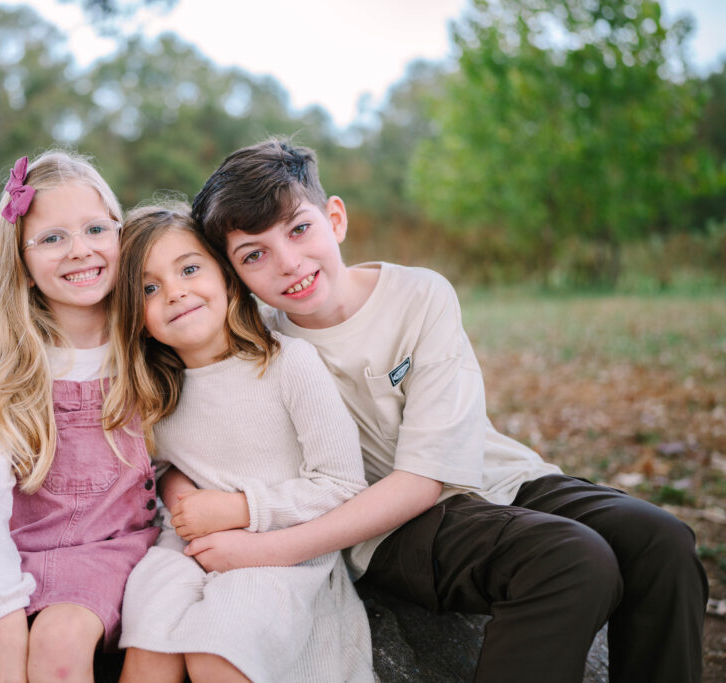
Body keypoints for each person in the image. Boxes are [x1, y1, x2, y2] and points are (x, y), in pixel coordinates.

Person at [180, 137, 709, 683]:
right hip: (387, 527)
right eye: (254, 255)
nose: (288, 263)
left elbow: (429, 473)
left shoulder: (418, 295)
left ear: (334, 217)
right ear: (233, 274)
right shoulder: (256, 344)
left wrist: (266, 550)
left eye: (299, 229)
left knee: (662, 541)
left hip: (495, 475)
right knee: (573, 561)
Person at [0, 152, 159, 683]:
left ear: (121, 234)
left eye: (95, 229)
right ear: (20, 259)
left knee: (60, 652)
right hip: (14, 553)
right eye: (51, 238)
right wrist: (4, 634)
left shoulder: (147, 348)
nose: (80, 250)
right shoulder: (10, 374)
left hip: (105, 553)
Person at [102, 203, 374, 683]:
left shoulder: (289, 363)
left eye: (189, 269)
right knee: (150, 640)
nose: (176, 292)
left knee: (217, 653)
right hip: (188, 547)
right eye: (149, 287)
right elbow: (164, 468)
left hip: (281, 549)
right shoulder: (154, 392)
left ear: (228, 278)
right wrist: (182, 500)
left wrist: (241, 510)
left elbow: (342, 483)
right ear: (137, 316)